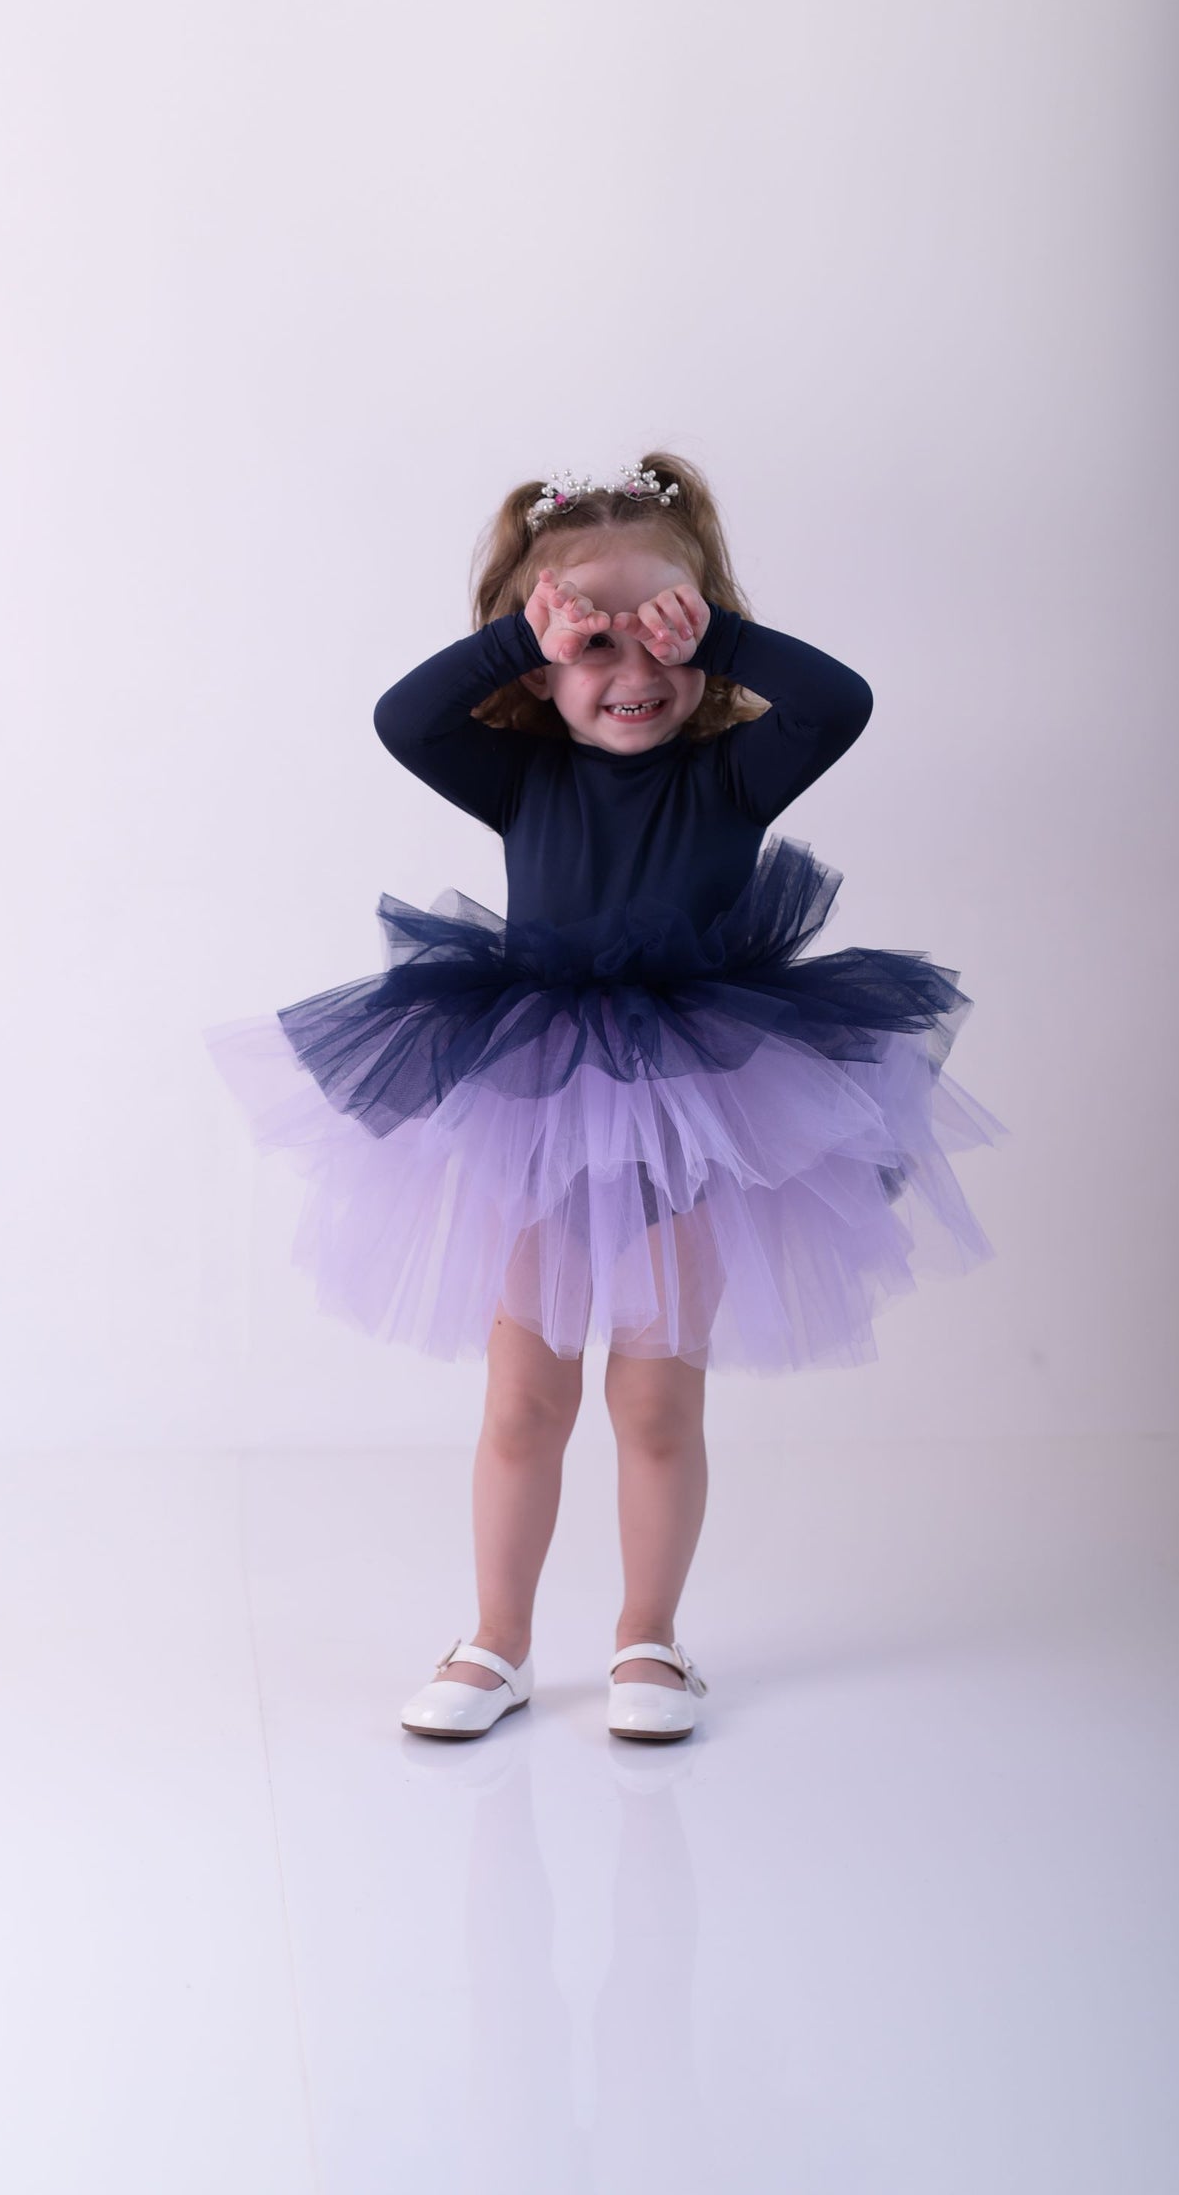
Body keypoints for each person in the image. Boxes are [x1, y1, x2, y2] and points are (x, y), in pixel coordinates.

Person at [202, 451, 1007, 1744]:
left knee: (655, 1393)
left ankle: (650, 1640)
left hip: (703, 1091)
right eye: (591, 648)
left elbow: (839, 702)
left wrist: (727, 636)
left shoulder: (733, 772)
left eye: (664, 640)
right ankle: (497, 1640)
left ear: (705, 637)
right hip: (539, 1092)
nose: (633, 676)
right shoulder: (519, 775)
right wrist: (528, 632)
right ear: (535, 664)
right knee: (525, 1393)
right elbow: (405, 720)